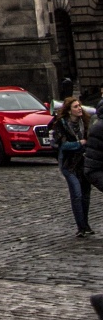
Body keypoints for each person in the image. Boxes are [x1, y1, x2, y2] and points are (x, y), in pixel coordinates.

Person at [56, 97, 97, 236]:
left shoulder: (85, 122)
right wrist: (79, 143)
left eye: (79, 106)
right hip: (69, 165)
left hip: (84, 163)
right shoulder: (61, 124)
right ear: (69, 111)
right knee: (77, 195)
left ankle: (85, 224)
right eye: (75, 106)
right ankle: (81, 227)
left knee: (85, 196)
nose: (79, 108)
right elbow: (62, 145)